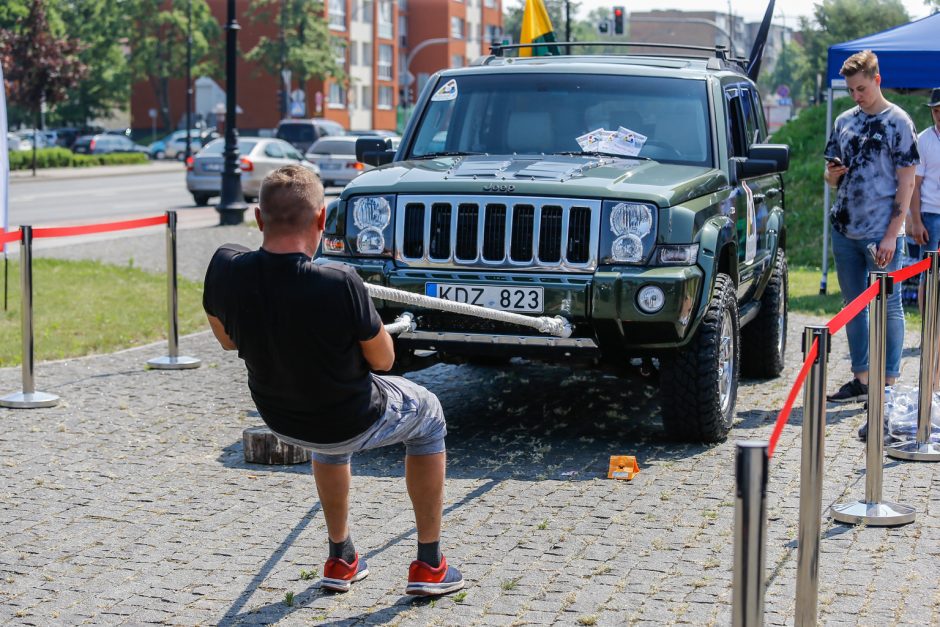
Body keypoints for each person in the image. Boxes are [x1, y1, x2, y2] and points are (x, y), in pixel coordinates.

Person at [202, 165, 464, 597]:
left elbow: (228, 341)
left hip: (284, 420)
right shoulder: (339, 281)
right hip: (347, 418)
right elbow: (384, 360)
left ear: (258, 218)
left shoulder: (225, 267)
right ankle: (430, 565)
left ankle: (341, 558)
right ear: (322, 220)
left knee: (330, 422)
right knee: (430, 414)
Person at [824, 50, 919, 412]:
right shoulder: (845, 120)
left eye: (861, 88)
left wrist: (893, 234)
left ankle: (889, 384)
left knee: (889, 305)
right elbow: (831, 174)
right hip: (844, 228)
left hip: (882, 231)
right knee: (853, 305)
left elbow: (907, 184)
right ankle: (863, 379)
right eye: (850, 90)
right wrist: (830, 176)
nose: (856, 96)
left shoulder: (899, 121)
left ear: (877, 81)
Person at [908, 88, 940, 302]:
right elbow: (914, 185)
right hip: (931, 214)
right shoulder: (923, 140)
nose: (939, 115)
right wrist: (916, 222)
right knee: (928, 276)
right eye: (936, 111)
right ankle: (927, 332)